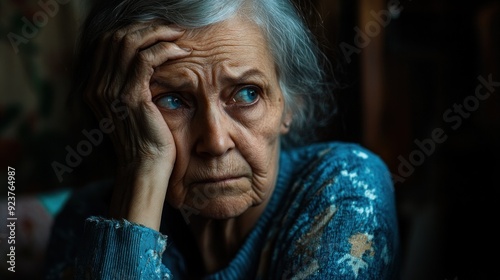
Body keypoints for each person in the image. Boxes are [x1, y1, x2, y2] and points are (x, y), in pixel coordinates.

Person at [44, 0, 401, 279]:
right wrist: (144, 168)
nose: (215, 142)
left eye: (246, 94)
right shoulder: (86, 217)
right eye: (172, 100)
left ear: (288, 104)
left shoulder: (346, 186)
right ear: (121, 114)